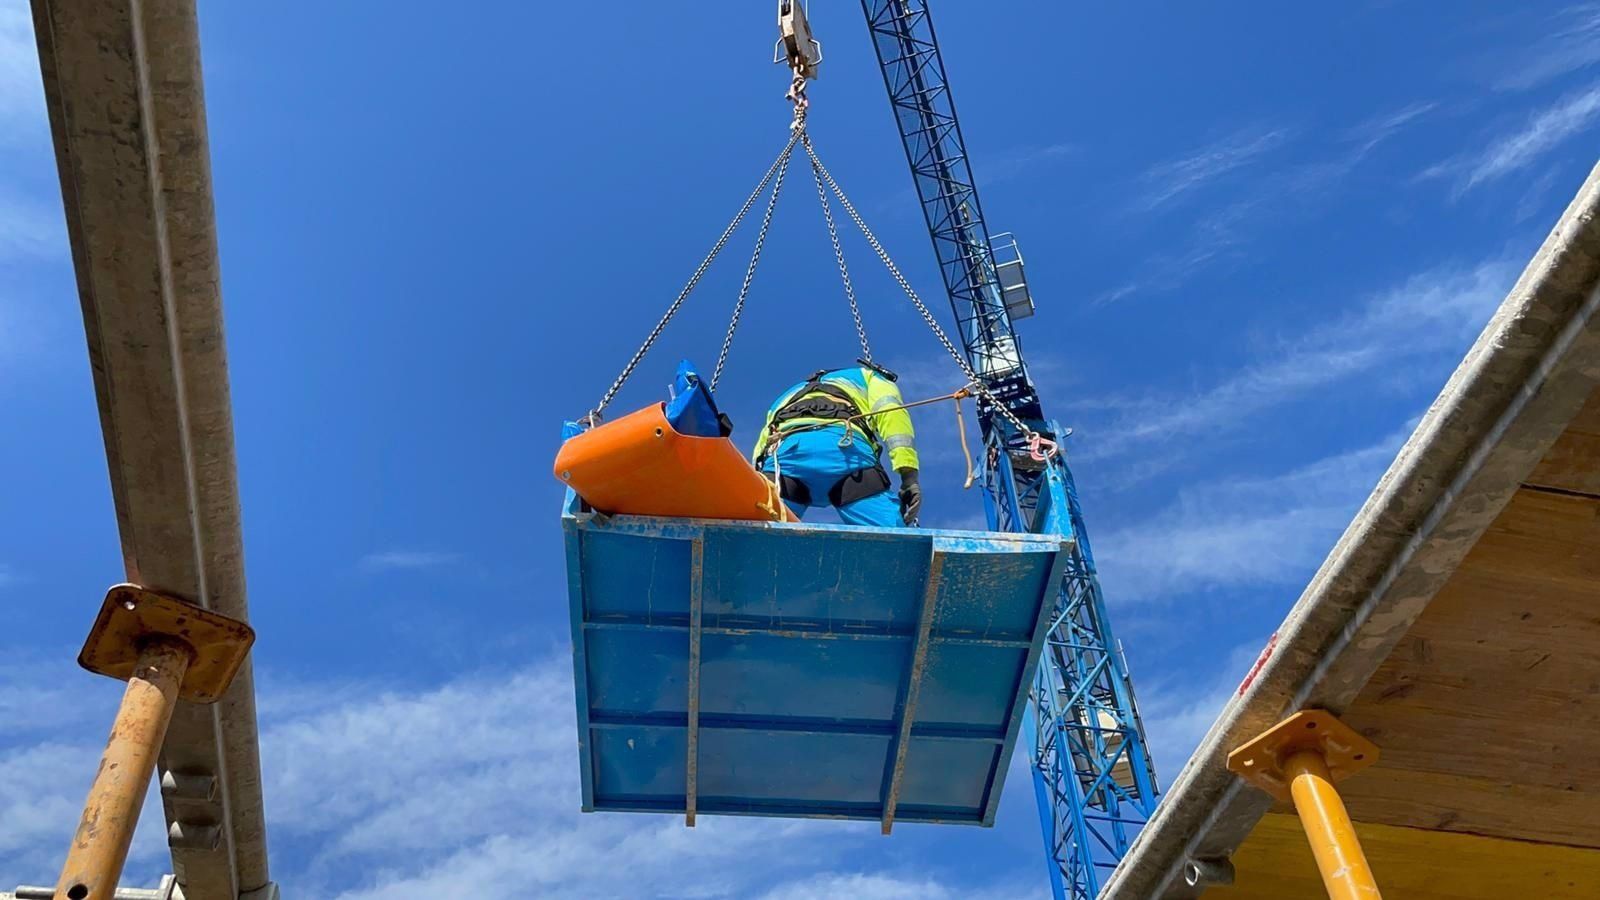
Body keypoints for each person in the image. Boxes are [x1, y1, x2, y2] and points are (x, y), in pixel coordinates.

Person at [753, 364, 921, 527]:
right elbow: (892, 415)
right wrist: (909, 476)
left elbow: (761, 449)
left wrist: (753, 484)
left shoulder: (786, 396)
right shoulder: (868, 377)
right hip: (846, 454)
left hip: (786, 459)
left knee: (757, 528)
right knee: (892, 539)